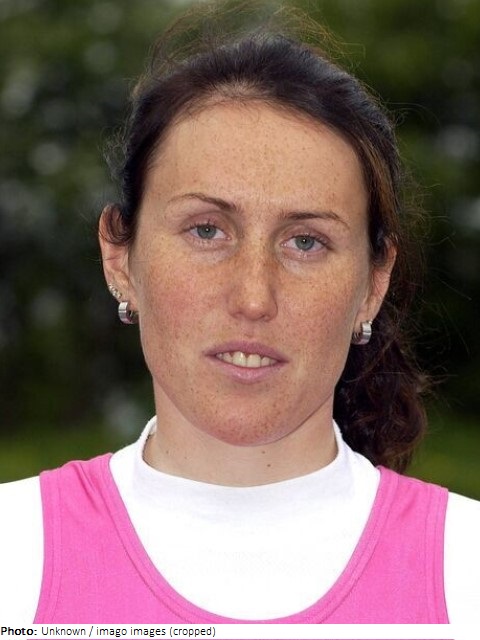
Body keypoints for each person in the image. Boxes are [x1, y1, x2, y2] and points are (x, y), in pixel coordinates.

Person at [1, 0, 479, 625]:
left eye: (305, 242)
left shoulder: (468, 572)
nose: (254, 298)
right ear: (120, 258)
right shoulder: (13, 553)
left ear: (373, 283)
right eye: (206, 230)